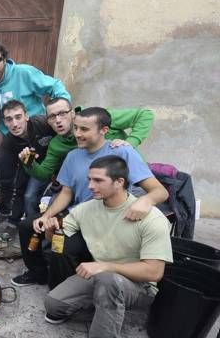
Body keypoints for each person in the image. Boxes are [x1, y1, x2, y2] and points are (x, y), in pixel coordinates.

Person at [42, 155, 172, 338]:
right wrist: (50, 227)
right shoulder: (88, 208)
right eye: (89, 179)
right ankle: (107, 308)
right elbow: (60, 237)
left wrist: (106, 267)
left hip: (140, 287)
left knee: (107, 280)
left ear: (119, 182)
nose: (90, 186)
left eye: (98, 180)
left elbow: (155, 271)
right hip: (101, 276)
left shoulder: (152, 218)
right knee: (53, 305)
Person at [15, 107, 168, 287]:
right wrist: (46, 215)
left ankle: (60, 292)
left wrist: (145, 200)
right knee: (28, 225)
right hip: (78, 215)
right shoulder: (73, 156)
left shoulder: (122, 152)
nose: (77, 134)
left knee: (61, 243)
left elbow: (160, 191)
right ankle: (38, 274)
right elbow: (66, 192)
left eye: (84, 129)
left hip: (107, 222)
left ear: (104, 130)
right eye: (76, 128)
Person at [22, 97, 154, 182]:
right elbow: (45, 174)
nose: (58, 120)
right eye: (52, 117)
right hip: (97, 187)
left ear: (73, 113)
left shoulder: (96, 117)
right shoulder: (57, 145)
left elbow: (144, 115)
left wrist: (130, 142)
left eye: (62, 113)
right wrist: (29, 162)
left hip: (135, 176)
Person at [0, 99, 54, 222]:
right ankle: (31, 225)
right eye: (9, 119)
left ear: (26, 116)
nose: (15, 124)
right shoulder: (10, 140)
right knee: (28, 196)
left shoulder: (42, 123)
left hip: (56, 162)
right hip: (33, 167)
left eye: (18, 117)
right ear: (5, 123)